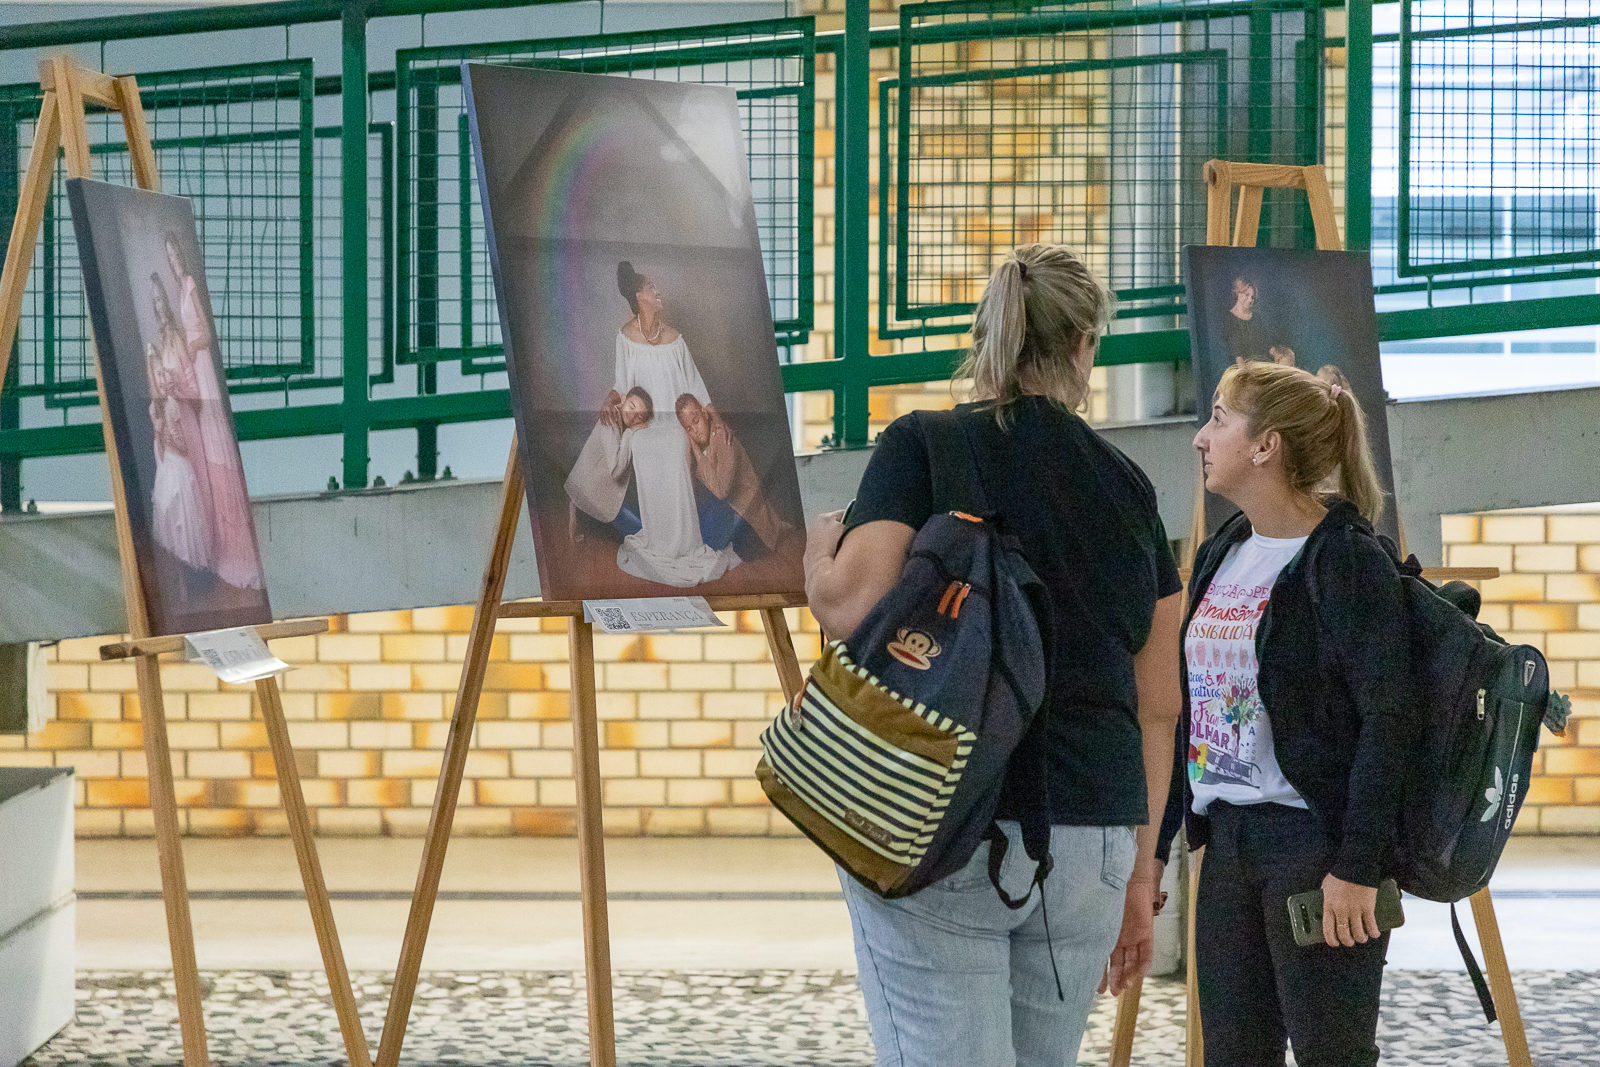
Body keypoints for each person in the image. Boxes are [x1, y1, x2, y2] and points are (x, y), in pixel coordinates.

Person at [803, 243, 1185, 1067]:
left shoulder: (923, 446)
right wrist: (1143, 873)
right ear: (1085, 344)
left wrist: (815, 556)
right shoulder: (1129, 487)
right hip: (1091, 838)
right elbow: (1160, 702)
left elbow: (853, 603)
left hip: (935, 819)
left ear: (986, 337)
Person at [1154, 360, 1410, 1067]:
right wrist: (1158, 848)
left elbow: (1391, 718)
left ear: (1266, 445)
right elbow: (1190, 711)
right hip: (1229, 845)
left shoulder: (1349, 559)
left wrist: (1358, 865)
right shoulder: (1224, 549)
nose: (1200, 438)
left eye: (1217, 419)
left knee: (1333, 1055)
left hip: (1315, 849)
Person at [585, 260, 739, 586]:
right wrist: (608, 400)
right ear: (639, 295)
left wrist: (718, 420)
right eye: (652, 288)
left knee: (673, 448)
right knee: (641, 446)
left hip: (675, 427)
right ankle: (658, 542)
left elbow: (696, 385)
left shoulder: (676, 340)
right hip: (644, 426)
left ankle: (684, 546)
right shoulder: (624, 338)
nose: (659, 292)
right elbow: (621, 384)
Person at [165, 233, 264, 591]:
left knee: (216, 439)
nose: (174, 264)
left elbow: (205, 333)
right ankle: (226, 549)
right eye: (170, 259)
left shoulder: (190, 285)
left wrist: (189, 347)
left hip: (203, 363)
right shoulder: (180, 291)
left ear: (182, 259)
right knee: (208, 444)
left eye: (176, 257)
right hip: (196, 364)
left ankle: (239, 553)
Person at [677, 393, 795, 557]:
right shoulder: (707, 441)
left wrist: (696, 453)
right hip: (736, 515)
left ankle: (778, 532)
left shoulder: (724, 439)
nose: (694, 431)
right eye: (688, 428)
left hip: (754, 525)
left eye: (696, 421)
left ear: (704, 414)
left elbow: (721, 492)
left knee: (729, 548)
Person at [145, 344, 212, 589]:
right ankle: (179, 580)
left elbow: (185, 447)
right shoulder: (155, 409)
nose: (160, 379)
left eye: (162, 374)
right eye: (156, 375)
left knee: (185, 522)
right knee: (169, 521)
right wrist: (159, 435)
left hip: (180, 466)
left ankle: (192, 580)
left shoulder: (173, 404)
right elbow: (159, 451)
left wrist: (171, 438)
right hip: (165, 467)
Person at [565, 387, 655, 543]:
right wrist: (630, 433)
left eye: (639, 416)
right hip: (596, 482)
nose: (632, 416)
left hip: (596, 480)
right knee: (639, 533)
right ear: (624, 398)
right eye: (631, 406)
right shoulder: (610, 420)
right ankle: (575, 508)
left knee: (637, 528)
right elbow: (616, 472)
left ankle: (575, 506)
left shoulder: (619, 416)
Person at [1223, 276, 1295, 367]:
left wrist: (1283, 355)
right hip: (1246, 371)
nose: (1250, 300)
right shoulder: (1230, 320)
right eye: (1247, 295)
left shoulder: (1256, 318)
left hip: (1264, 366)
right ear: (1238, 293)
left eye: (1252, 297)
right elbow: (1238, 357)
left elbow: (1267, 345)